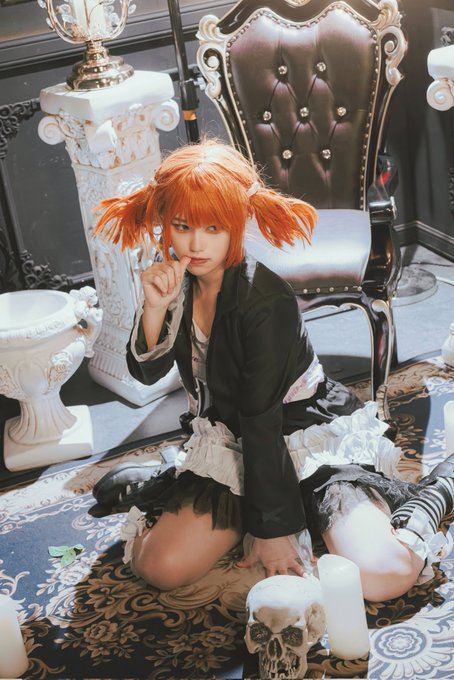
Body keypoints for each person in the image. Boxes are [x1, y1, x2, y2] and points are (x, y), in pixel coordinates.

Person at [93, 139, 454, 600]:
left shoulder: (265, 299)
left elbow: (262, 419)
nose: (195, 244)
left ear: (236, 222)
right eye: (182, 226)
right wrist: (154, 308)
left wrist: (273, 530)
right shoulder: (176, 280)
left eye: (213, 227)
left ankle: (440, 489)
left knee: (385, 575)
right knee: (159, 566)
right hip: (231, 438)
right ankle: (169, 477)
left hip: (301, 434)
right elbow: (146, 373)